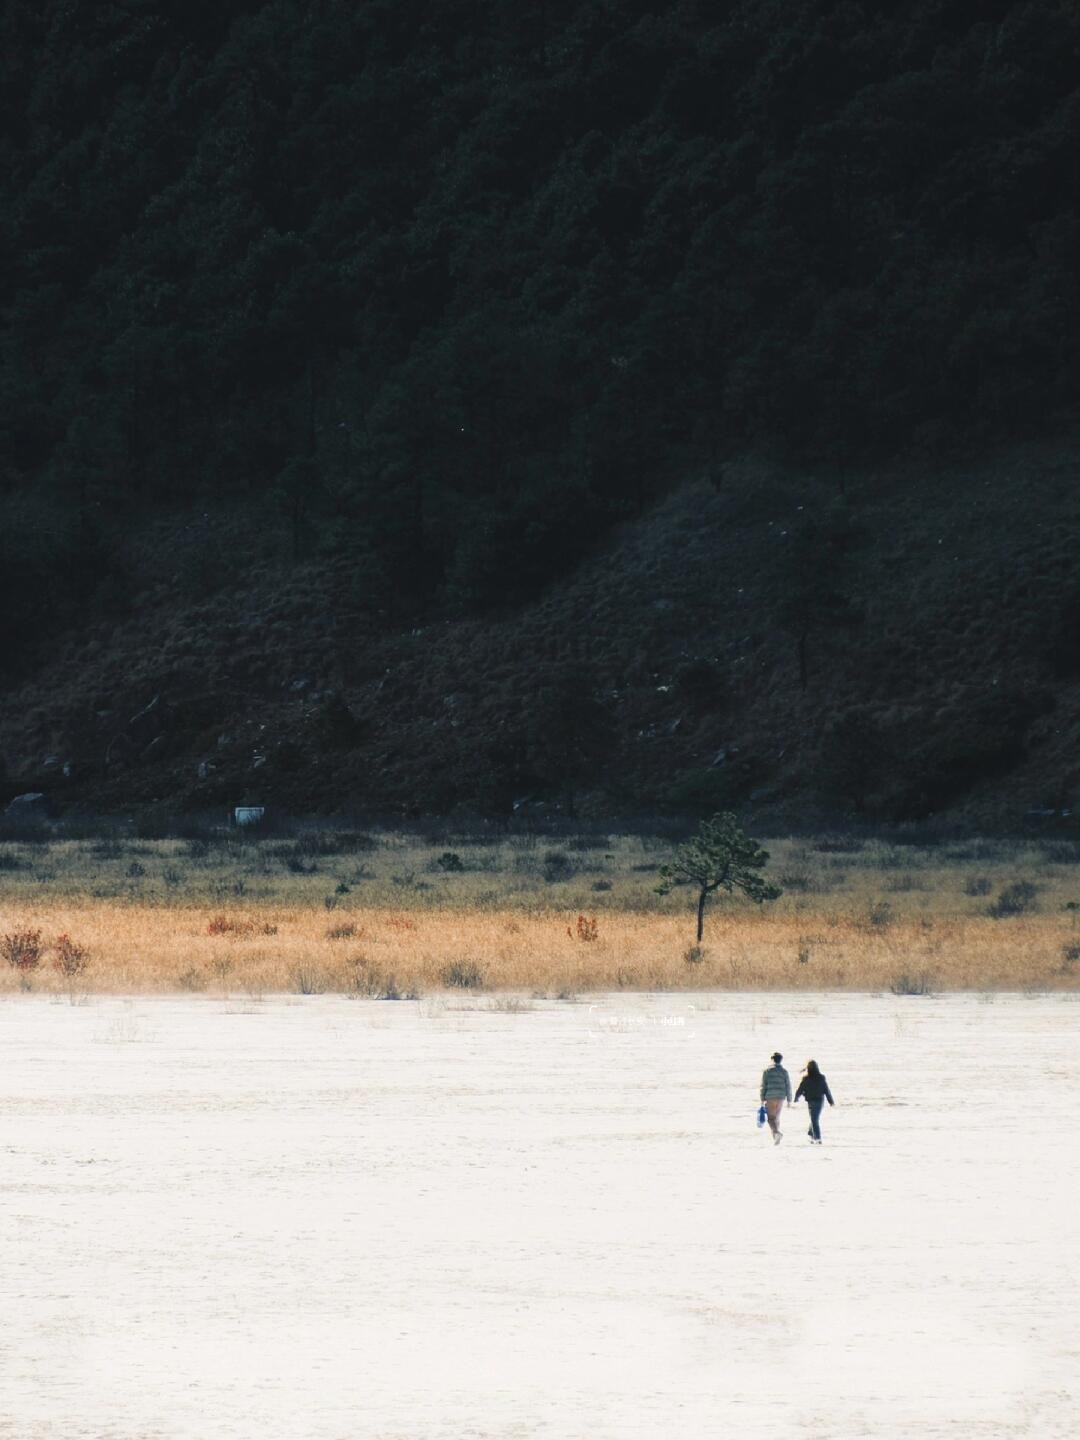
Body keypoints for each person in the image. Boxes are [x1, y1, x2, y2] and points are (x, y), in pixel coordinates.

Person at [794, 1060, 835, 1144]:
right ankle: (811, 1134)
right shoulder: (821, 1078)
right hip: (820, 1101)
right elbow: (826, 1090)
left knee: (814, 1119)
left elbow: (800, 1089)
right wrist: (830, 1101)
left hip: (811, 1101)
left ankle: (817, 1138)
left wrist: (796, 1097)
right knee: (815, 1119)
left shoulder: (806, 1079)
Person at [760, 1051, 791, 1145]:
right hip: (781, 1097)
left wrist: (762, 1098)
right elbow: (788, 1085)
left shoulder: (767, 1071)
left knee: (770, 1118)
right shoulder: (784, 1071)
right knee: (776, 1118)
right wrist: (789, 1099)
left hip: (770, 1096)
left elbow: (763, 1085)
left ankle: (776, 1134)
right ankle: (776, 1139)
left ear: (772, 1060)